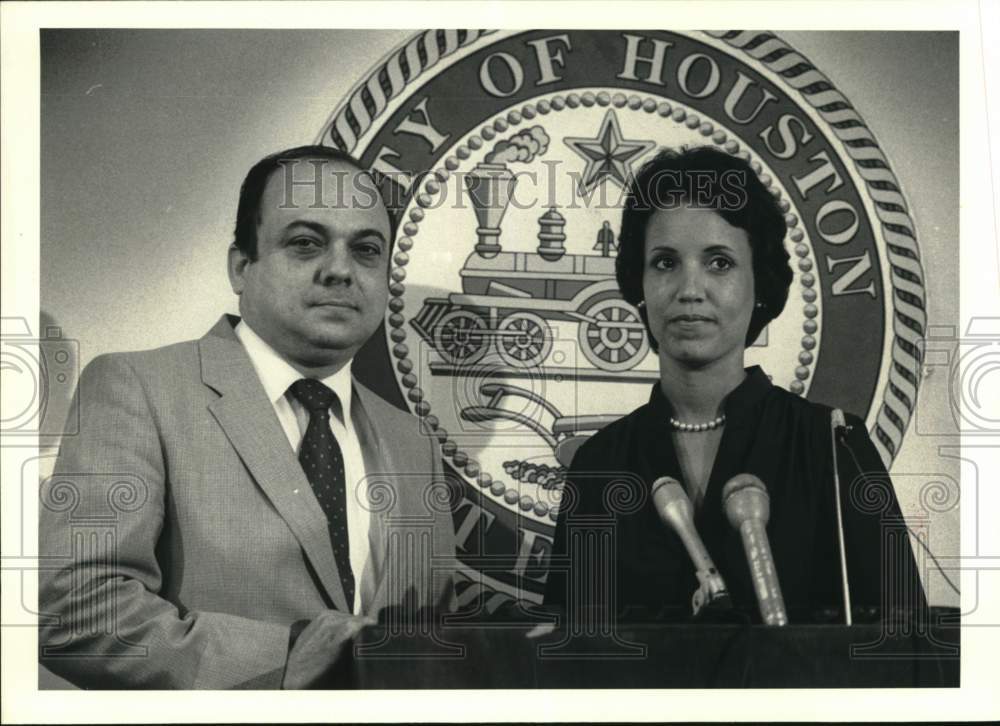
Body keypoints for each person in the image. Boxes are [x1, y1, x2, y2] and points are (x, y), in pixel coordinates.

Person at [39, 146, 457, 688]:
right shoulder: (137, 388)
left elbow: (432, 641)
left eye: (366, 250)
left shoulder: (412, 441)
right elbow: (73, 607)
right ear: (241, 266)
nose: (340, 270)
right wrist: (287, 659)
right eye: (306, 243)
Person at [544, 147, 926, 624]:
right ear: (637, 283)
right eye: (665, 262)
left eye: (719, 263)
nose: (689, 289)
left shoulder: (832, 445)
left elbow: (904, 651)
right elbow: (566, 662)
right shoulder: (599, 465)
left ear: (760, 283)